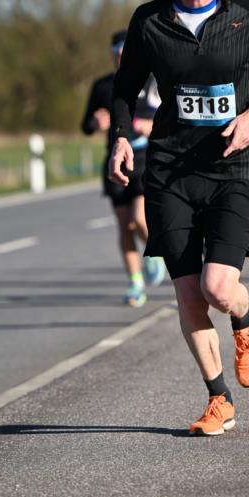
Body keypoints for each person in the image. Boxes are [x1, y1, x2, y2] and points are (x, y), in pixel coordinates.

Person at [108, 0, 249, 436]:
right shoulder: (149, 21)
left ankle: (245, 316)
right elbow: (124, 87)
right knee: (187, 293)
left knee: (217, 287)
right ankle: (218, 398)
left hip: (234, 166)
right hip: (169, 167)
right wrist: (121, 135)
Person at [81, 30, 166, 306]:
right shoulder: (103, 86)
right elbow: (85, 126)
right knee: (123, 226)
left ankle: (155, 254)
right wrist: (96, 123)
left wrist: (147, 126)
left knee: (139, 218)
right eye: (116, 50)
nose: (120, 55)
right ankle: (135, 283)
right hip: (116, 161)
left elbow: (171, 122)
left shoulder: (154, 80)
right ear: (112, 53)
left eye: (125, 50)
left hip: (145, 160)